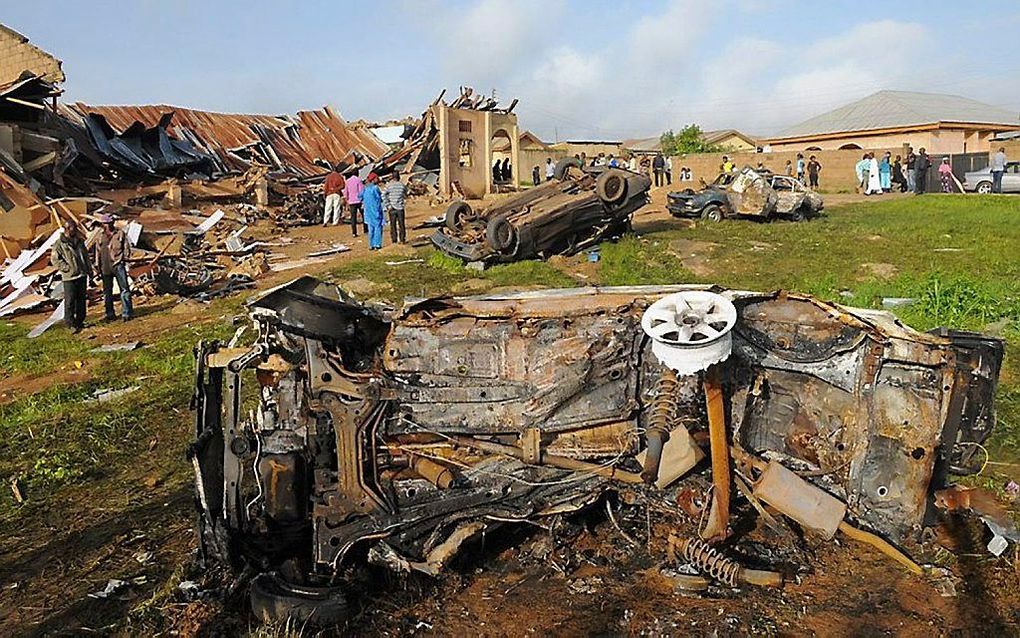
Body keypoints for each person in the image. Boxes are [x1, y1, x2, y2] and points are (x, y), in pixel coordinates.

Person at [51, 219, 90, 333]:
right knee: (70, 301)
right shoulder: (60, 244)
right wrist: (67, 268)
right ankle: (70, 323)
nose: (76, 229)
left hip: (82, 275)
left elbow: (85, 257)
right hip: (70, 277)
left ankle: (80, 321)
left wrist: (89, 269)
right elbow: (55, 260)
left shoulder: (80, 241)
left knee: (81, 300)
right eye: (74, 228)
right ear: (67, 229)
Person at [95, 214, 133, 321]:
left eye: (111, 222)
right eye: (107, 223)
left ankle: (127, 313)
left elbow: (126, 248)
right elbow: (97, 252)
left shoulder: (120, 233)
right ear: (103, 224)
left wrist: (124, 259)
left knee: (124, 289)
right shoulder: (100, 236)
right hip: (105, 268)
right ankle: (110, 314)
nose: (109, 225)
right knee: (107, 292)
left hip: (118, 265)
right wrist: (97, 266)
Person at [382, 173, 407, 244]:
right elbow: (406, 193)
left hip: (392, 208)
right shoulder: (402, 185)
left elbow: (383, 195)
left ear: (392, 177)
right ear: (399, 177)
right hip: (400, 208)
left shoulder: (389, 185)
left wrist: (388, 205)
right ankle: (402, 240)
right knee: (401, 225)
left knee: (393, 225)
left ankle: (394, 240)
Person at [362, 173, 384, 250]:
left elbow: (360, 196)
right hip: (375, 210)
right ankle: (377, 244)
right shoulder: (375, 188)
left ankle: (371, 245)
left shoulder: (365, 189)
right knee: (377, 228)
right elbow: (379, 199)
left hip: (367, 211)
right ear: (374, 179)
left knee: (370, 229)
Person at [344, 171, 365, 236]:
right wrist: (362, 199)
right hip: (359, 201)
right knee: (364, 215)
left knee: (353, 217)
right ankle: (366, 229)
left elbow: (346, 192)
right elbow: (361, 191)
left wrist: (347, 200)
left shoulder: (347, 181)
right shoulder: (359, 180)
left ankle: (354, 232)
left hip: (351, 201)